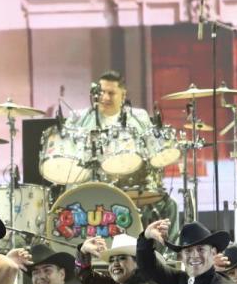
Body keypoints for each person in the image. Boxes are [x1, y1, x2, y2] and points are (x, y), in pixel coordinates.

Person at [70, 70, 178, 243]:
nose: (105, 97)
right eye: (101, 92)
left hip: (131, 184)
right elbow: (71, 152)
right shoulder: (81, 119)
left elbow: (152, 151)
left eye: (111, 93)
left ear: (123, 94)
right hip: (94, 184)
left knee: (170, 206)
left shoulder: (139, 117)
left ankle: (166, 257)